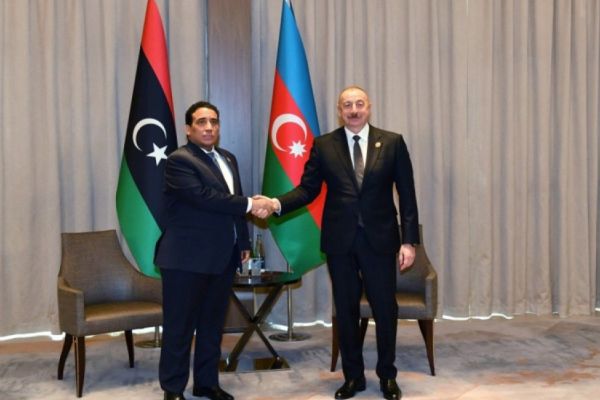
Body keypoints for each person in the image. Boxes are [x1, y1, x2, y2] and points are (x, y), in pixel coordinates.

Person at [261, 86, 419, 400]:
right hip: (340, 242)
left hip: (380, 241)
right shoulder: (324, 145)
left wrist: (409, 241)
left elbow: (407, 194)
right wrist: (276, 203)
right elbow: (307, 190)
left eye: (359, 104)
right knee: (346, 312)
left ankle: (387, 376)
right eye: (347, 105)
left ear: (369, 107)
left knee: (385, 310)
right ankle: (353, 378)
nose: (354, 110)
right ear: (339, 110)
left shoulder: (392, 142)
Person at [154, 101, 272, 400]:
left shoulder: (228, 158)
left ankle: (206, 384)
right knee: (179, 328)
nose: (209, 128)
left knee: (211, 326)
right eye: (201, 122)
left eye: (214, 122)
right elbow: (204, 198)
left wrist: (243, 243)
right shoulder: (179, 160)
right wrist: (252, 203)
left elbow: (233, 205)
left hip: (222, 256)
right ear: (188, 129)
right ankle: (172, 389)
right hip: (185, 259)